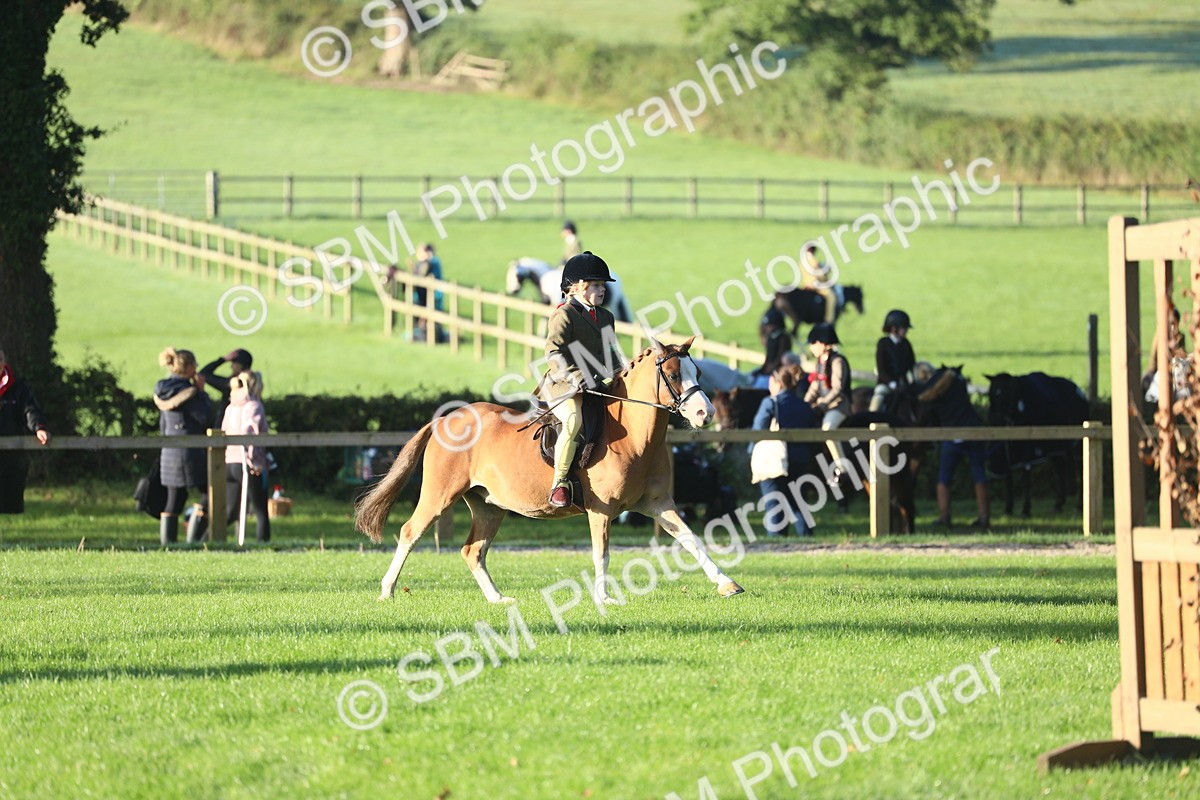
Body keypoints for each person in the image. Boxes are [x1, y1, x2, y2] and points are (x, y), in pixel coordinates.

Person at [540, 251, 620, 507]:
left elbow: (610, 355)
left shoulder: (606, 317)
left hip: (596, 385)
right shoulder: (564, 315)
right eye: (596, 285)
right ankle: (559, 484)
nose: (602, 290)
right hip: (563, 386)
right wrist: (576, 377)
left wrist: (622, 376)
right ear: (577, 288)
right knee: (574, 420)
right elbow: (553, 353)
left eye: (603, 285)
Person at [919, 367, 990, 530]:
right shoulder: (958, 384)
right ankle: (984, 516)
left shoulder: (932, 394)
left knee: (944, 477)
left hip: (952, 434)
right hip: (973, 431)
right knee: (979, 474)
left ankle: (944, 517)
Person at [155, 348, 213, 545]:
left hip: (169, 451)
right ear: (187, 368)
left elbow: (163, 425)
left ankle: (168, 543)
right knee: (209, 493)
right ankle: (194, 540)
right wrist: (202, 393)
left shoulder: (163, 390)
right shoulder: (190, 392)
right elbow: (204, 417)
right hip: (190, 452)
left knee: (175, 498)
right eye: (194, 365)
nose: (197, 368)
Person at [752, 365, 818, 536]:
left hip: (774, 462)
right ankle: (808, 542)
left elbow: (757, 430)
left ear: (778, 383)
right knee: (799, 506)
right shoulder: (804, 406)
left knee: (774, 507)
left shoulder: (770, 403)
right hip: (799, 460)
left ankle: (776, 546)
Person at [0, 346, 51, 514]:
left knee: (11, 502)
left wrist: (39, 428)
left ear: (4, 362)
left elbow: (30, 409)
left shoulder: (18, 388)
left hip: (12, 454)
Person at [222, 370, 270, 542]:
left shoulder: (231, 407)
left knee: (230, 511)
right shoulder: (254, 406)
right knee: (260, 510)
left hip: (229, 461)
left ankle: (204, 539)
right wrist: (255, 462)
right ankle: (263, 545)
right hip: (247, 463)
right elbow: (252, 435)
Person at [803, 323, 851, 482]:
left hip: (838, 406)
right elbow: (815, 386)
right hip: (824, 405)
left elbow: (838, 389)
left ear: (822, 344)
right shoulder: (820, 363)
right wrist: (804, 404)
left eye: (813, 344)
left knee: (827, 429)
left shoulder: (838, 362)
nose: (811, 348)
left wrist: (822, 403)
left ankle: (842, 469)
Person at [870, 310, 917, 412]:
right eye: (904, 328)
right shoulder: (883, 344)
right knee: (878, 397)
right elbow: (881, 369)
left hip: (903, 384)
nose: (906, 331)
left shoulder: (906, 344)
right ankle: (872, 418)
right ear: (894, 329)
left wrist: (913, 380)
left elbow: (912, 365)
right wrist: (892, 384)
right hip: (886, 384)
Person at [199, 348, 253, 422]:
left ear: (238, 366)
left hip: (227, 427)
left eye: (233, 363)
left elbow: (203, 374)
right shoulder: (253, 383)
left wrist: (223, 359)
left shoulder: (232, 385)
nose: (231, 366)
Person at [408, 243, 445, 342]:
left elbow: (424, 276)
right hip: (425, 295)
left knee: (428, 316)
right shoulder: (429, 262)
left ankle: (428, 336)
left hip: (432, 295)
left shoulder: (432, 263)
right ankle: (425, 335)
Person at [751, 308, 792, 389]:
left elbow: (780, 357)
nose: (768, 328)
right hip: (769, 370)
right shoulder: (770, 338)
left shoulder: (783, 338)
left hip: (778, 372)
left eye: (770, 325)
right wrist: (762, 369)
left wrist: (768, 371)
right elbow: (768, 357)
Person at [801, 244, 837, 324]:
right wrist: (826, 279)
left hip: (805, 286)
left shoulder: (802, 261)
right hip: (815, 286)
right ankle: (829, 320)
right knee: (832, 297)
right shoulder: (813, 260)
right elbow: (819, 275)